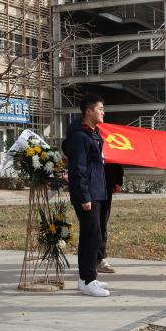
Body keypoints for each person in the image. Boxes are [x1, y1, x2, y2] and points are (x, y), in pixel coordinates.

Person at [62, 94, 110, 297]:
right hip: (87, 194)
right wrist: (84, 196)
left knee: (92, 236)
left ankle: (85, 278)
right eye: (100, 109)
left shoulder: (93, 134)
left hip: (97, 192)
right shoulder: (79, 137)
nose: (103, 112)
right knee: (92, 236)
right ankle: (89, 280)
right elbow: (77, 169)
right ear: (88, 112)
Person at [96, 162, 124, 274]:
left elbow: (118, 156)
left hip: (107, 180)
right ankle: (91, 259)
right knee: (91, 223)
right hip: (89, 181)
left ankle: (99, 258)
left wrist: (118, 180)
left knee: (102, 221)